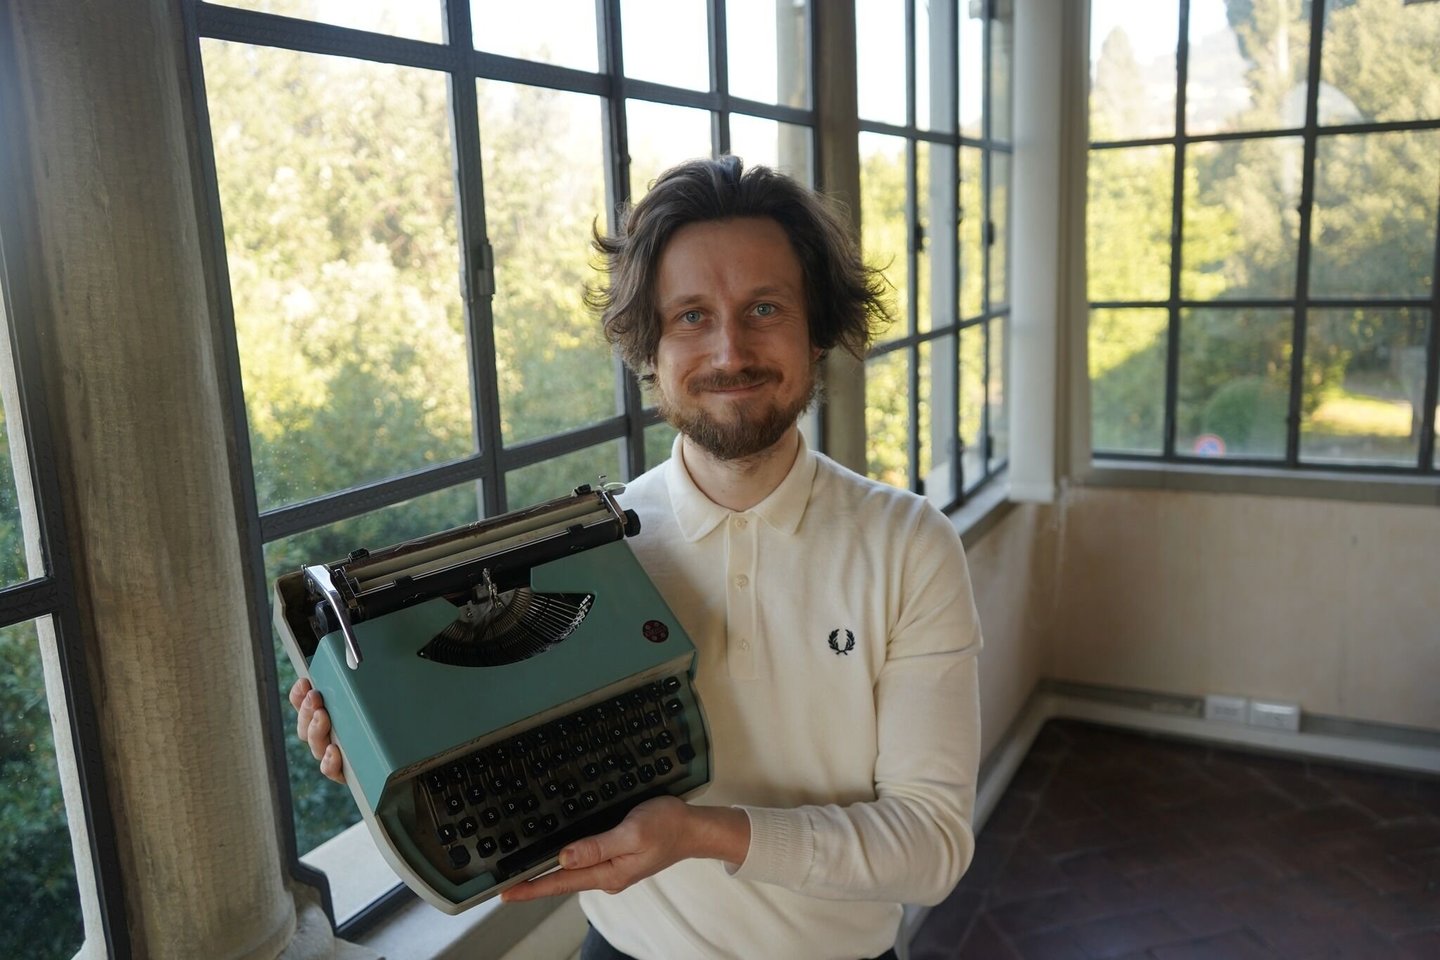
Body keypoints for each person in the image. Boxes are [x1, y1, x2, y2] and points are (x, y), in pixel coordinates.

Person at [290, 156, 983, 960]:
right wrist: (377, 749)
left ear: (818, 329)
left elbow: (931, 848)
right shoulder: (591, 547)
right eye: (691, 316)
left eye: (764, 308)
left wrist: (700, 833)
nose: (730, 350)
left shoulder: (910, 545)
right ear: (648, 347)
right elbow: (517, 754)